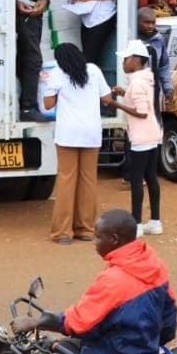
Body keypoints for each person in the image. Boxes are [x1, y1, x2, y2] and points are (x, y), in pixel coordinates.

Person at [10, 210, 177, 354]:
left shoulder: (114, 280)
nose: (94, 242)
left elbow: (78, 320)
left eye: (98, 237)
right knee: (59, 349)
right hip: (132, 348)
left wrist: (39, 322)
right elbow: (170, 316)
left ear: (114, 239)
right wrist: (150, 341)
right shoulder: (151, 262)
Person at [42, 43, 114, 244]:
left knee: (67, 181)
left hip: (67, 134)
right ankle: (86, 229)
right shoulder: (94, 71)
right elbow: (107, 98)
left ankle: (63, 233)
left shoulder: (58, 73)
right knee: (88, 181)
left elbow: (47, 104)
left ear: (60, 60)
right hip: (91, 133)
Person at [112, 40, 162, 236]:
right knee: (151, 177)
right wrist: (125, 94)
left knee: (136, 179)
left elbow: (141, 112)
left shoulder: (137, 82)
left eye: (125, 59)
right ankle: (155, 221)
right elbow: (143, 103)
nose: (123, 63)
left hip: (141, 137)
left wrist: (117, 105)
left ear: (135, 60)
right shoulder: (147, 79)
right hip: (152, 134)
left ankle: (137, 223)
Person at [14, 0, 53, 118]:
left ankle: (24, 103)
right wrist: (15, 2)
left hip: (36, 10)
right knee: (33, 59)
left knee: (27, 56)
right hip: (22, 9)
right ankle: (28, 107)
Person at [135, 8, 173, 106]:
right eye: (147, 22)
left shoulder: (159, 41)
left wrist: (168, 89)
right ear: (137, 21)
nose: (150, 26)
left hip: (153, 91)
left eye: (153, 23)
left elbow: (164, 66)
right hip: (134, 91)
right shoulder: (129, 39)